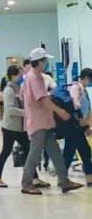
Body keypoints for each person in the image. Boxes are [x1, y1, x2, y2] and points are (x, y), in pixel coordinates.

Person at [20, 48, 83, 195]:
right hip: (38, 123)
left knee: (55, 152)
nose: (47, 63)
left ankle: (64, 181)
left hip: (45, 122)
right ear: (38, 62)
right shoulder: (34, 78)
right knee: (35, 154)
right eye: (45, 61)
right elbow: (43, 100)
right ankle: (26, 183)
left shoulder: (37, 76)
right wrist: (60, 111)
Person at [0, 65, 48, 188]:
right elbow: (9, 110)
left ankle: (34, 178)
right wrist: (27, 112)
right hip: (10, 127)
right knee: (6, 151)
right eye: (20, 75)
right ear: (13, 76)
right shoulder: (9, 90)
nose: (22, 77)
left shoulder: (18, 88)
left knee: (28, 150)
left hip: (20, 127)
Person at [64, 67, 92, 186]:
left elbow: (87, 109)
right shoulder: (76, 87)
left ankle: (63, 177)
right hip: (73, 126)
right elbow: (75, 104)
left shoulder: (84, 90)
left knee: (75, 151)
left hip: (79, 126)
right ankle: (63, 178)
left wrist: (86, 126)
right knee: (80, 151)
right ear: (86, 78)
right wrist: (81, 119)